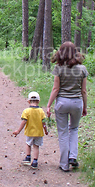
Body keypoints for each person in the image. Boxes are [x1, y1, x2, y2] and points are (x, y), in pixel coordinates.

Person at [46, 41, 88, 172]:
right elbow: (84, 91)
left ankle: (64, 164)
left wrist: (48, 105)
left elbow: (55, 89)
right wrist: (85, 106)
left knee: (63, 132)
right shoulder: (82, 69)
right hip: (77, 103)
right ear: (75, 52)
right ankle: (73, 156)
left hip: (62, 103)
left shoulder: (59, 68)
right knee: (74, 129)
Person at [13, 91, 48, 169]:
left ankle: (28, 157)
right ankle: (35, 161)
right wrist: (45, 130)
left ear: (28, 101)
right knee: (36, 146)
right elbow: (43, 122)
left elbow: (24, 121)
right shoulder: (41, 111)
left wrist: (18, 131)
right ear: (38, 101)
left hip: (29, 132)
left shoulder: (26, 111)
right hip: (39, 132)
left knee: (28, 144)